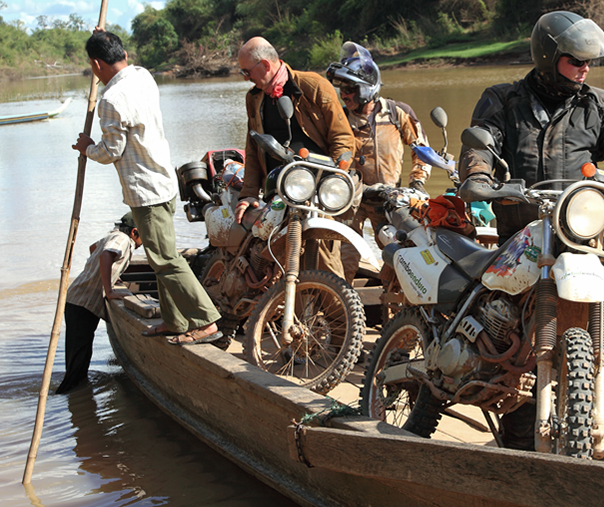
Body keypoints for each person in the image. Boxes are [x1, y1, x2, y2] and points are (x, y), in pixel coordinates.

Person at [458, 10, 604, 463]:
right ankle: (520, 435)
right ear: (549, 56)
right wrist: (479, 174)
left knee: (598, 330)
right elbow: (479, 145)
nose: (584, 68)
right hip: (521, 234)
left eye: (589, 61)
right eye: (575, 60)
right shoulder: (503, 100)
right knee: (517, 334)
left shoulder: (599, 105)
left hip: (582, 237)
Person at [74, 30, 223, 345]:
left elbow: (111, 151)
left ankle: (205, 320)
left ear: (96, 65)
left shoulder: (111, 100)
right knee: (160, 258)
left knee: (166, 259)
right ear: (124, 55)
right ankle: (175, 320)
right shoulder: (143, 77)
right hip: (165, 183)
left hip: (146, 192)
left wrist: (87, 147)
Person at [233, 37, 357, 276]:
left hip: (314, 191)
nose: (246, 77)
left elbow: (343, 139)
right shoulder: (254, 98)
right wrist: (248, 194)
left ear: (266, 66)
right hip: (279, 191)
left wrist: (334, 175)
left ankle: (336, 313)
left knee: (324, 260)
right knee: (276, 258)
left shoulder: (313, 86)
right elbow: (252, 146)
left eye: (246, 71)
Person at [326, 41, 432, 283]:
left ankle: (392, 311)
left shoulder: (397, 113)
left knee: (399, 257)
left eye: (350, 88)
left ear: (367, 88)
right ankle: (337, 310)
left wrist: (416, 183)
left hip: (387, 200)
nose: (344, 94)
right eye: (342, 88)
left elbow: (423, 152)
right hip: (349, 200)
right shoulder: (339, 119)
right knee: (343, 258)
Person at [55, 212, 141, 393]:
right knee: (78, 359)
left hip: (80, 301)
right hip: (82, 303)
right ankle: (67, 393)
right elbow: (105, 255)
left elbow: (93, 248)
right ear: (134, 232)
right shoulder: (123, 240)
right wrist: (108, 290)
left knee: (81, 354)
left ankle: (78, 399)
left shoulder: (114, 236)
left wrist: (111, 276)